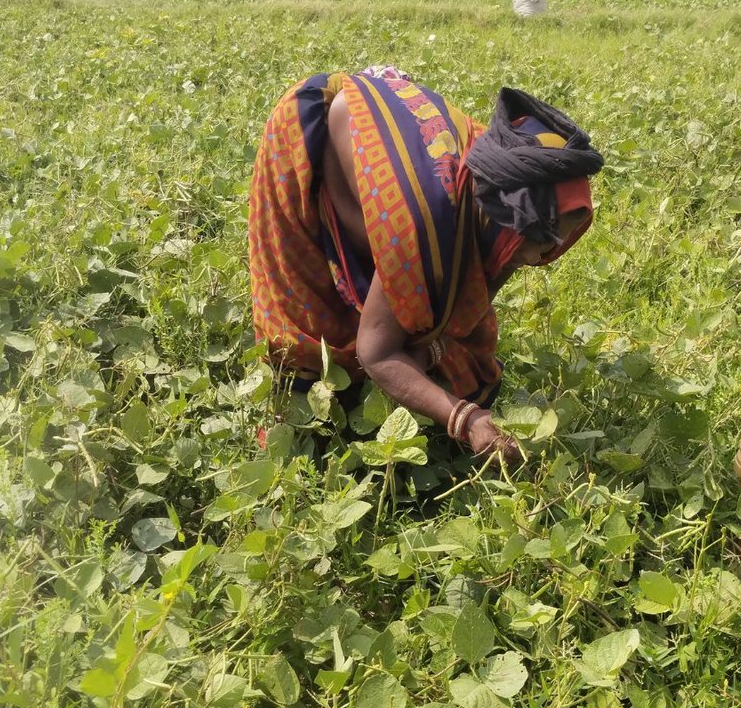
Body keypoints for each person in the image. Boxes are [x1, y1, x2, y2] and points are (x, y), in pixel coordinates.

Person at [248, 66, 604, 461]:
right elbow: (376, 353)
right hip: (310, 128)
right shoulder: (424, 219)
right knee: (311, 320)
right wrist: (465, 420)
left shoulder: (502, 189)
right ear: (505, 220)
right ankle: (296, 422)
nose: (541, 258)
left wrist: (429, 345)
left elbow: (474, 290)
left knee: (440, 325)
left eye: (554, 243)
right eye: (540, 242)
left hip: (391, 158)